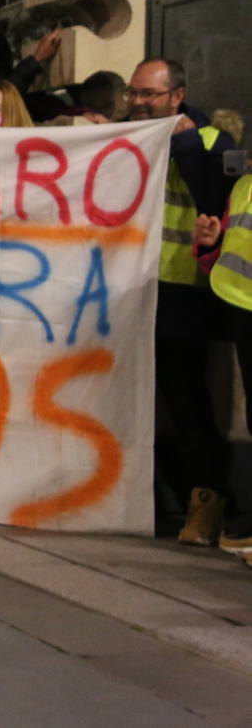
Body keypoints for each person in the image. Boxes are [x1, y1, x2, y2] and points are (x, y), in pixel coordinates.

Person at [125, 57, 237, 546]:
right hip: (124, 288)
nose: (139, 103)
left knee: (184, 399)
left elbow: (217, 198)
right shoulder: (121, 137)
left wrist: (186, 145)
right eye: (134, 93)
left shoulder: (211, 142)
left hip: (181, 291)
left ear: (177, 96)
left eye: (149, 94)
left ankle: (204, 506)